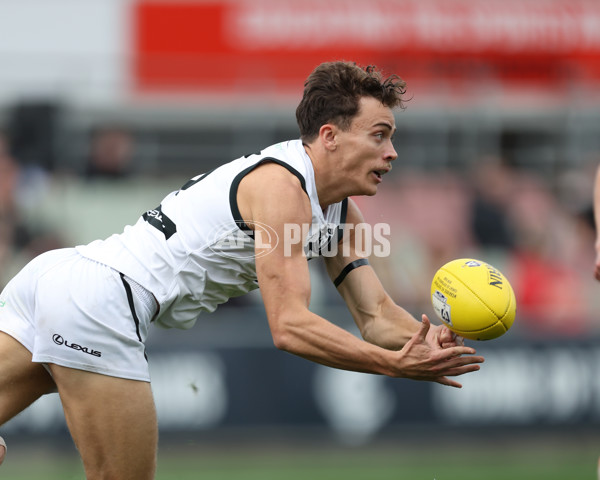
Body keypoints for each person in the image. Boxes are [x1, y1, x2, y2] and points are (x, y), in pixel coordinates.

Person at [0, 61, 484, 478]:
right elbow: (289, 326)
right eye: (379, 135)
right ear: (330, 137)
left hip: (61, 279)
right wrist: (392, 366)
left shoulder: (339, 213)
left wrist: (425, 342)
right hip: (100, 302)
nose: (392, 152)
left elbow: (377, 315)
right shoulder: (282, 189)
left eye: (392, 138)